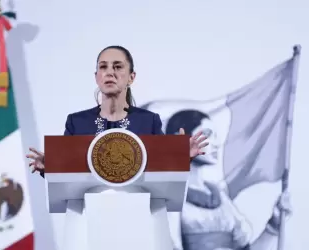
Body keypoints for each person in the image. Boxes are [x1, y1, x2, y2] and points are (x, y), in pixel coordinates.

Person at [26, 45, 209, 178]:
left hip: (138, 215)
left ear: (131, 77)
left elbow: (162, 172)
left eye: (118, 67)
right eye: (103, 67)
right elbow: (66, 172)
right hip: (91, 218)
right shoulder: (77, 122)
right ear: (96, 76)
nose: (109, 72)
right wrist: (48, 167)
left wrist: (183, 158)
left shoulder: (148, 121)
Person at [165, 109, 292, 250]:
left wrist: (274, 224)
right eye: (207, 134)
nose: (217, 144)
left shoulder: (221, 198)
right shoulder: (170, 195)